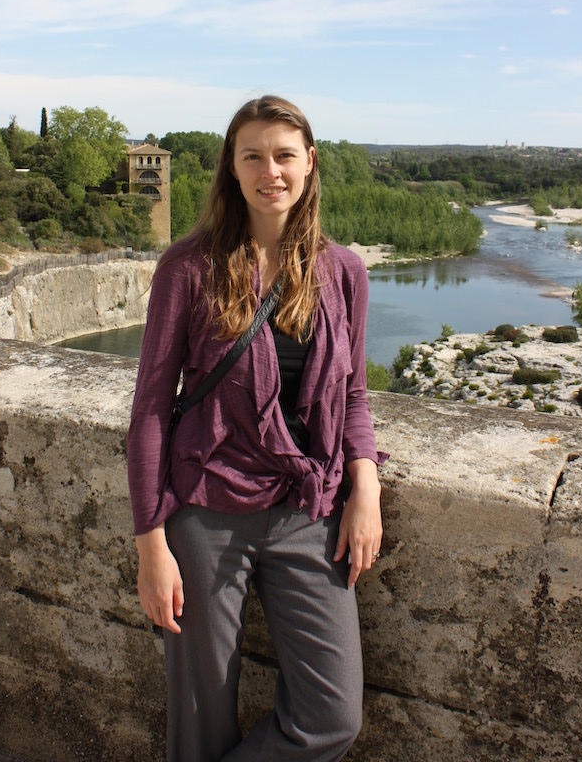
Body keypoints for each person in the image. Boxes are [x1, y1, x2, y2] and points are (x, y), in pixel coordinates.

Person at [127, 95, 387, 762]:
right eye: (253, 156)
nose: (270, 170)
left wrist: (366, 490)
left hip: (308, 510)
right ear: (232, 168)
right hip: (206, 513)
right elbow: (153, 409)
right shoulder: (188, 267)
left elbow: (353, 396)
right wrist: (150, 544)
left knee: (331, 717)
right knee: (200, 714)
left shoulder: (342, 271)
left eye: (283, 155)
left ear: (309, 164)